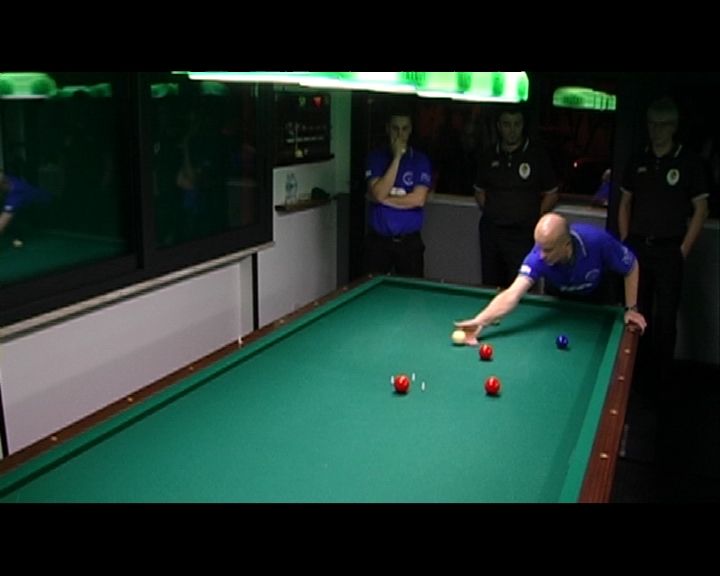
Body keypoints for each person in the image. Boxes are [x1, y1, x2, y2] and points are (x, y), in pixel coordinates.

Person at [618, 97, 709, 406]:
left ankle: (663, 386)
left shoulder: (688, 162)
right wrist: (626, 242)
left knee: (666, 320)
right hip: (640, 249)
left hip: (670, 250)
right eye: (651, 125)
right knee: (638, 316)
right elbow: (625, 203)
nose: (656, 131)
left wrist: (683, 250)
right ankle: (635, 381)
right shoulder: (637, 159)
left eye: (662, 125)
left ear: (673, 126)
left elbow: (701, 209)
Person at [454, 212, 647, 345]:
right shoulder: (537, 257)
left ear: (566, 245)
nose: (541, 256)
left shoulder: (598, 242)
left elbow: (631, 266)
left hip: (598, 300)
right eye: (538, 247)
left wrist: (631, 308)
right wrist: (480, 321)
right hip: (559, 302)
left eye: (548, 249)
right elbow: (512, 294)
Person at [474, 107, 559, 289]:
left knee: (523, 288)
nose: (512, 130)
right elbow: (479, 191)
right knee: (490, 287)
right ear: (499, 126)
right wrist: (492, 211)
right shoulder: (488, 155)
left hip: (523, 235)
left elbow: (552, 193)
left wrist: (533, 216)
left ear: (523, 126)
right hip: (492, 234)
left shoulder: (537, 155)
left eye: (516, 124)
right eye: (506, 124)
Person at [363, 109, 432, 277]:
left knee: (412, 296)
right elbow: (379, 192)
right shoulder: (376, 157)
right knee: (375, 294)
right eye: (395, 128)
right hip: (379, 242)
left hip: (409, 243)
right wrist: (397, 158)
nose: (400, 134)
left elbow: (418, 199)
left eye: (404, 129)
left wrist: (384, 200)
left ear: (410, 130)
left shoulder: (420, 160)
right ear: (387, 129)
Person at [0, 171, 51, 241]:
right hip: (31, 204)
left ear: (3, 185)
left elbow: (2, 223)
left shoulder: (15, 196)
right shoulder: (6, 179)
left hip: (46, 210)